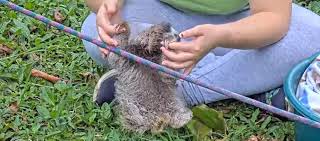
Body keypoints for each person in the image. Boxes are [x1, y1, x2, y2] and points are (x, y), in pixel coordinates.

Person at [82, 0, 320, 108]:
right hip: (160, 16)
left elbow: (274, 18)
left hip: (239, 26)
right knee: (93, 29)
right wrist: (108, 7)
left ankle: (179, 90)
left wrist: (220, 35)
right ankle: (250, 84)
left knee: (312, 35)